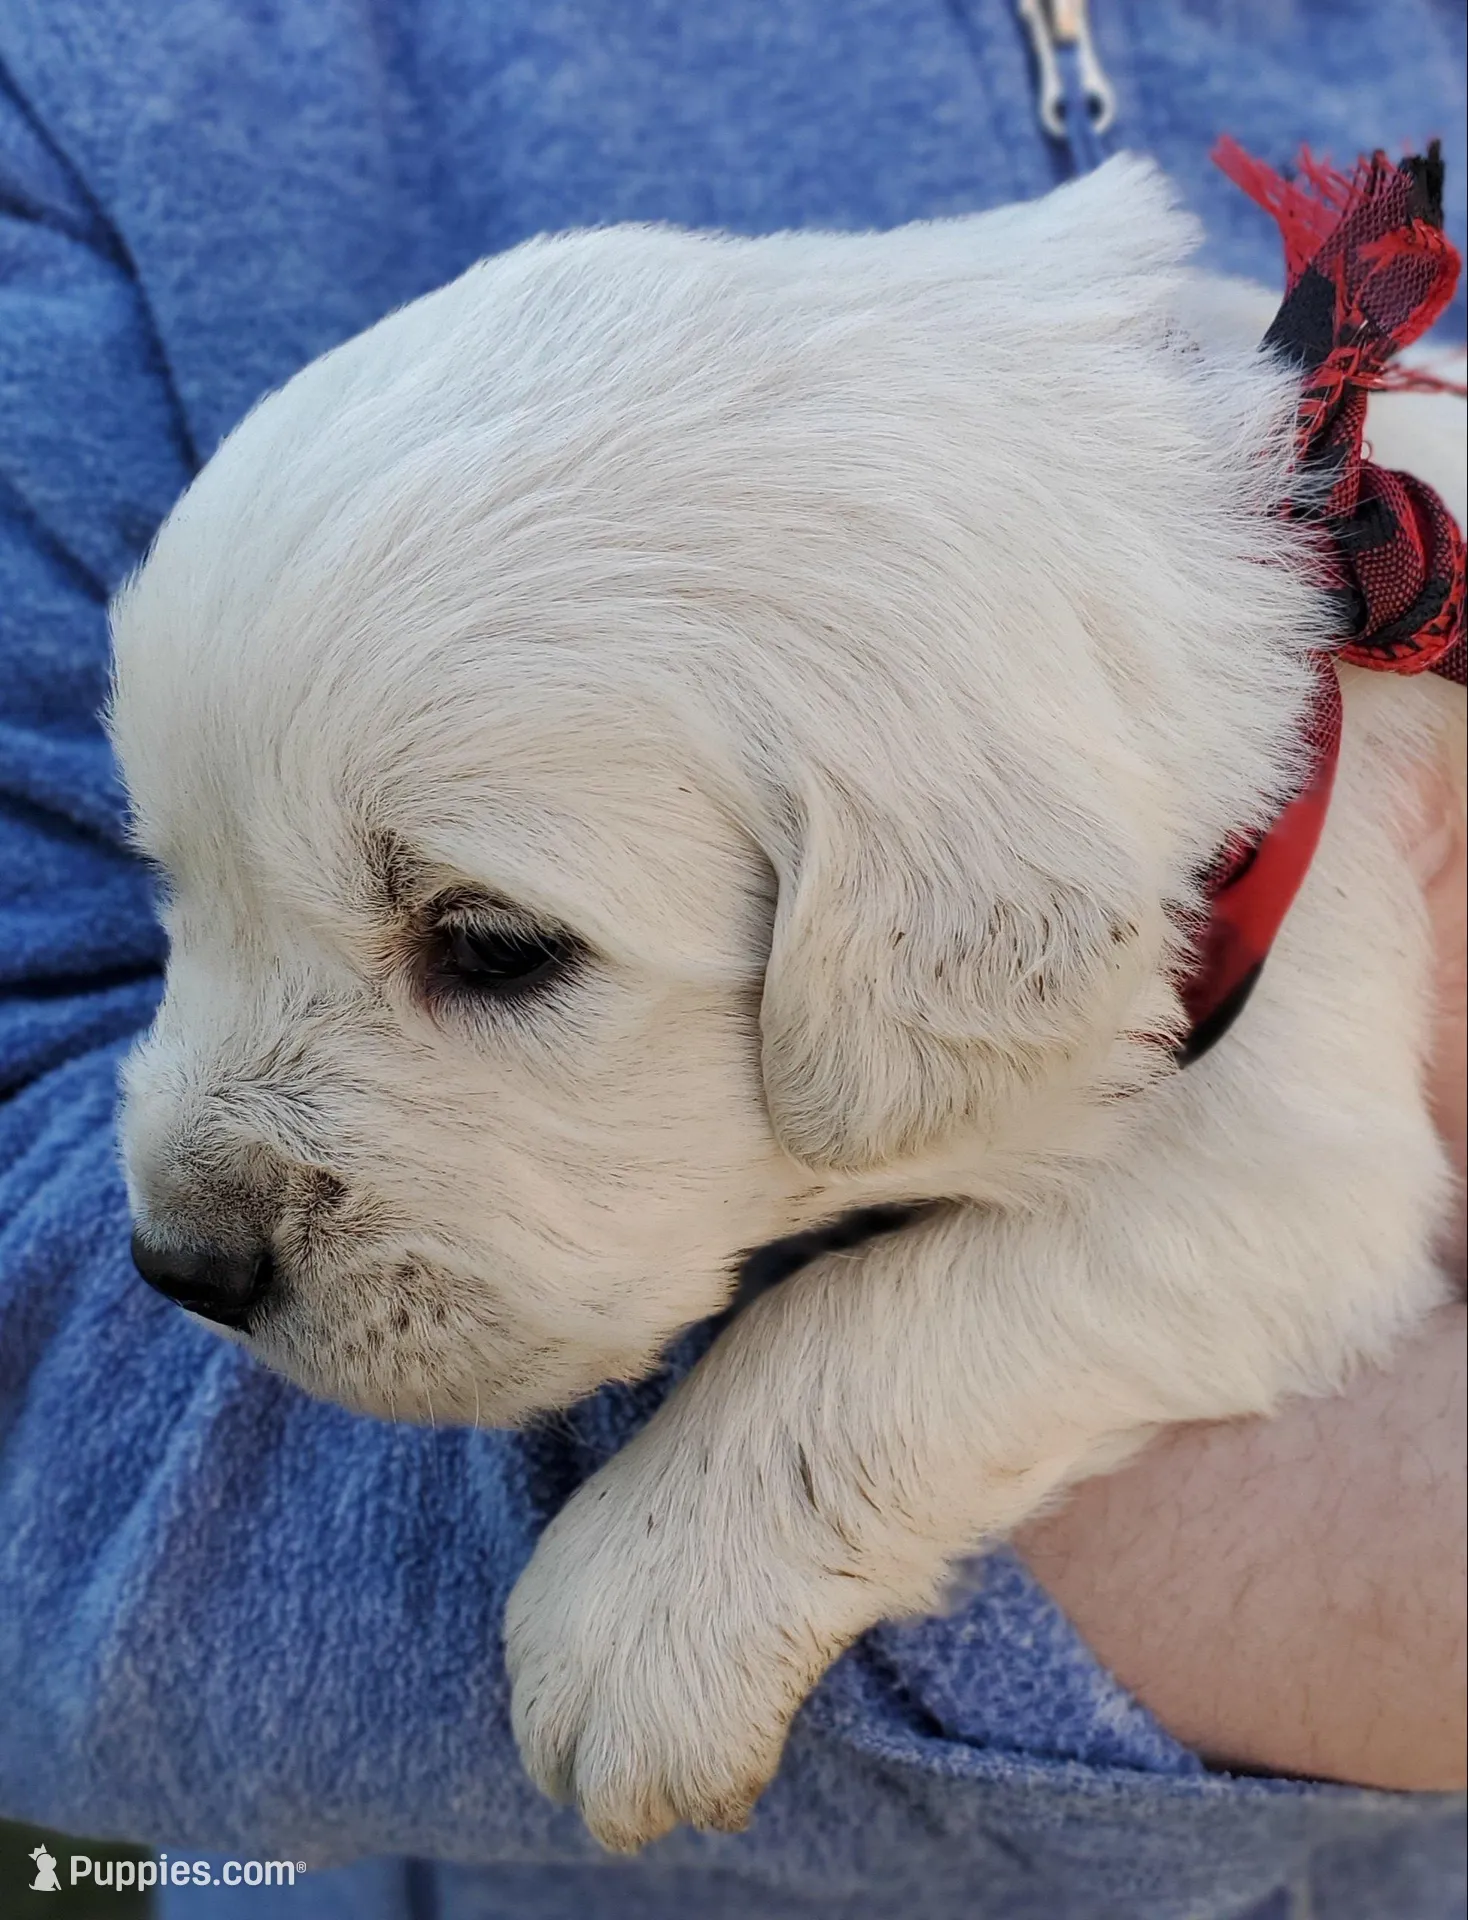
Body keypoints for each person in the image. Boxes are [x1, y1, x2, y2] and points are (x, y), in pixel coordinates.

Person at [0, 3, 1462, 1915]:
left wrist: (782, 1501)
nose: (194, 1195)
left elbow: (1280, 1201)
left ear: (944, 922)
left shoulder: (1052, 771)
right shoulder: (97, 76)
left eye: (492, 947)